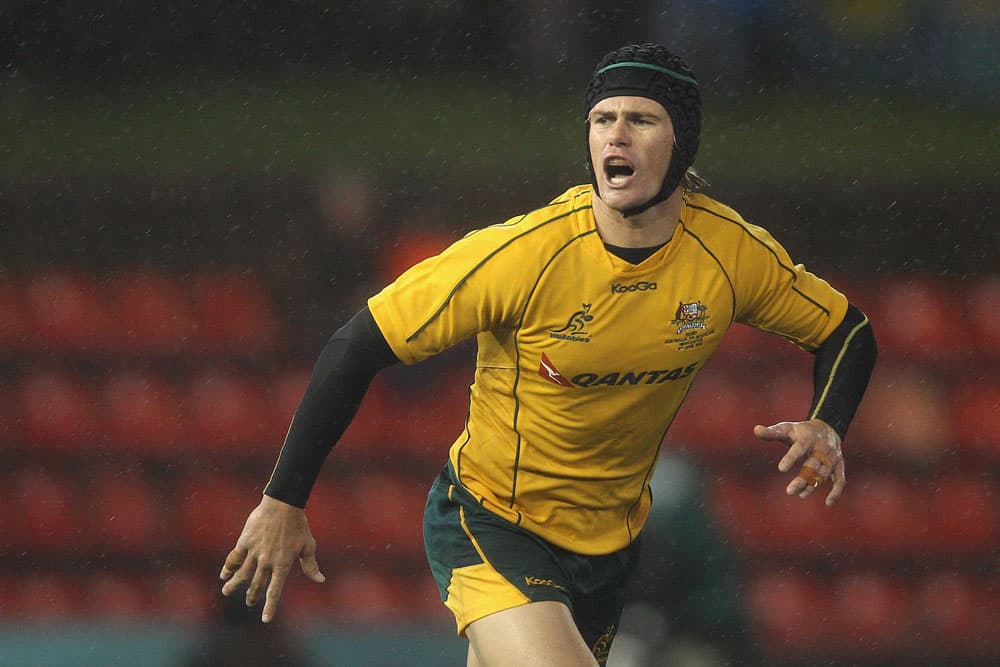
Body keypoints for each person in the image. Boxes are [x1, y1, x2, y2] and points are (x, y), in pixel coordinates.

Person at [219, 43, 877, 667]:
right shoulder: (526, 255)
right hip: (492, 524)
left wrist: (829, 421)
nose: (615, 135)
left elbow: (847, 331)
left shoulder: (729, 253)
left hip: (610, 547)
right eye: (602, 119)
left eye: (640, 119)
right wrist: (283, 499)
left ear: (682, 141)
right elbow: (356, 344)